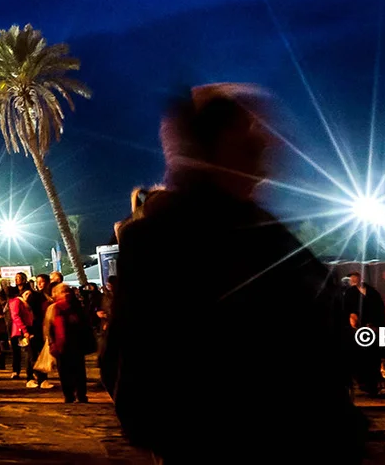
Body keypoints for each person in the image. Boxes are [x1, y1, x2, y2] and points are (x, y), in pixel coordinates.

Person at [104, 85, 362, 465]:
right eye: (250, 132)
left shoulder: (263, 228)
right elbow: (135, 365)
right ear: (212, 146)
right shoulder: (166, 239)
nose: (267, 144)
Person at [43, 280, 93, 402]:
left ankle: (81, 394)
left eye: (67, 291)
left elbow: (85, 324)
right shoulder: (53, 308)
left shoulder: (76, 307)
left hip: (76, 343)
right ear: (55, 294)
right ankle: (68, 395)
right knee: (64, 372)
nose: (65, 294)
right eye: (62, 292)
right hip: (60, 345)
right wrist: (51, 342)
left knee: (79, 371)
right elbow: (48, 327)